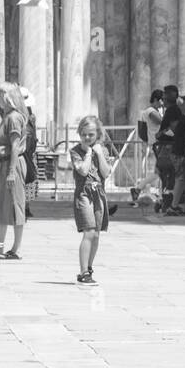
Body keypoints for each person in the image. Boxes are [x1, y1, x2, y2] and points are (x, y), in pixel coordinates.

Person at [70, 116, 110, 285]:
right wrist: (88, 154)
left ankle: (89, 266)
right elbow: (83, 171)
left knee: (96, 235)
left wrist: (99, 154)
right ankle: (83, 271)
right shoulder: (75, 151)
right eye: (84, 134)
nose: (87, 138)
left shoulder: (103, 151)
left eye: (91, 135)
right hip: (83, 195)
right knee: (89, 232)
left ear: (98, 134)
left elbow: (106, 173)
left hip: (99, 195)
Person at [0, 82, 28, 260]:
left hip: (11, 164)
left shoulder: (14, 118)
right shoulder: (8, 116)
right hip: (4, 164)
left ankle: (16, 248)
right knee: (2, 205)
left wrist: (12, 171)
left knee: (15, 204)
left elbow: (15, 146)